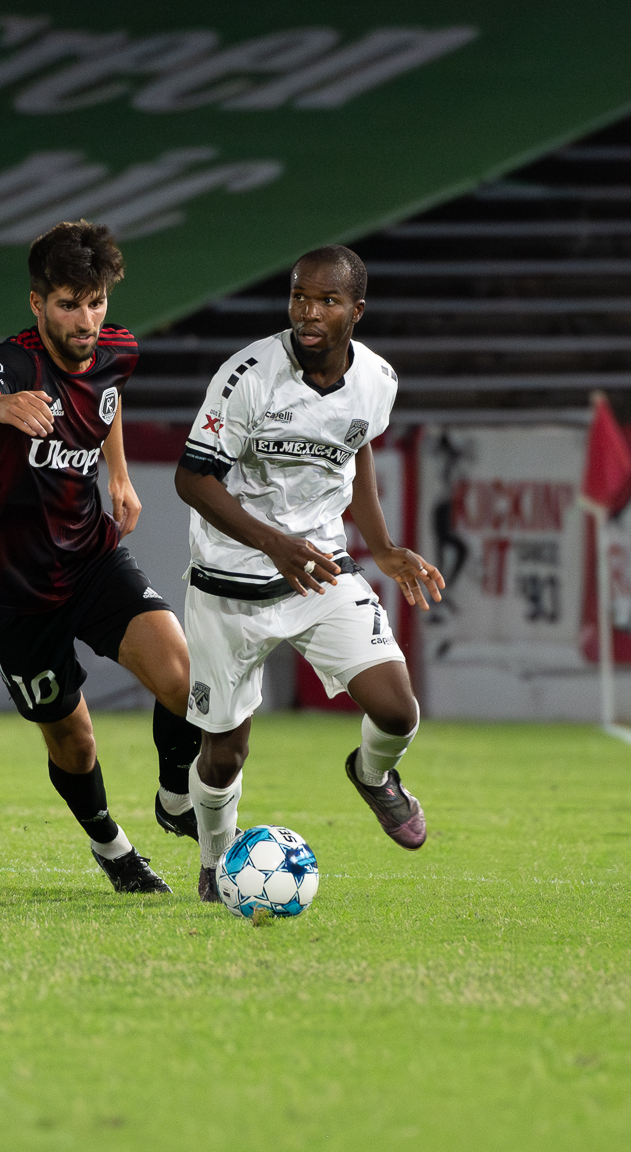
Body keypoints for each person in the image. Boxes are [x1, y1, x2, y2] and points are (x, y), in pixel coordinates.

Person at [174, 244, 446, 901]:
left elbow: (358, 447)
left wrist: (380, 546)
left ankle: (375, 776)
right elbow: (192, 477)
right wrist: (274, 545)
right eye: (300, 296)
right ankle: (215, 864)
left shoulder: (377, 379)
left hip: (321, 571)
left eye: (327, 300)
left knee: (398, 709)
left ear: (357, 309)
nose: (309, 311)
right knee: (224, 756)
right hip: (230, 585)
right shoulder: (247, 376)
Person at [0, 220, 201, 895]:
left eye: (95, 302)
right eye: (67, 304)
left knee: (181, 675)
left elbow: (107, 400)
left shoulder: (117, 349)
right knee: (75, 742)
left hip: (89, 556)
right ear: (37, 305)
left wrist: (118, 473)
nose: (85, 320)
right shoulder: (17, 363)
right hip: (15, 583)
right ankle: (112, 848)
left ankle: (175, 800)